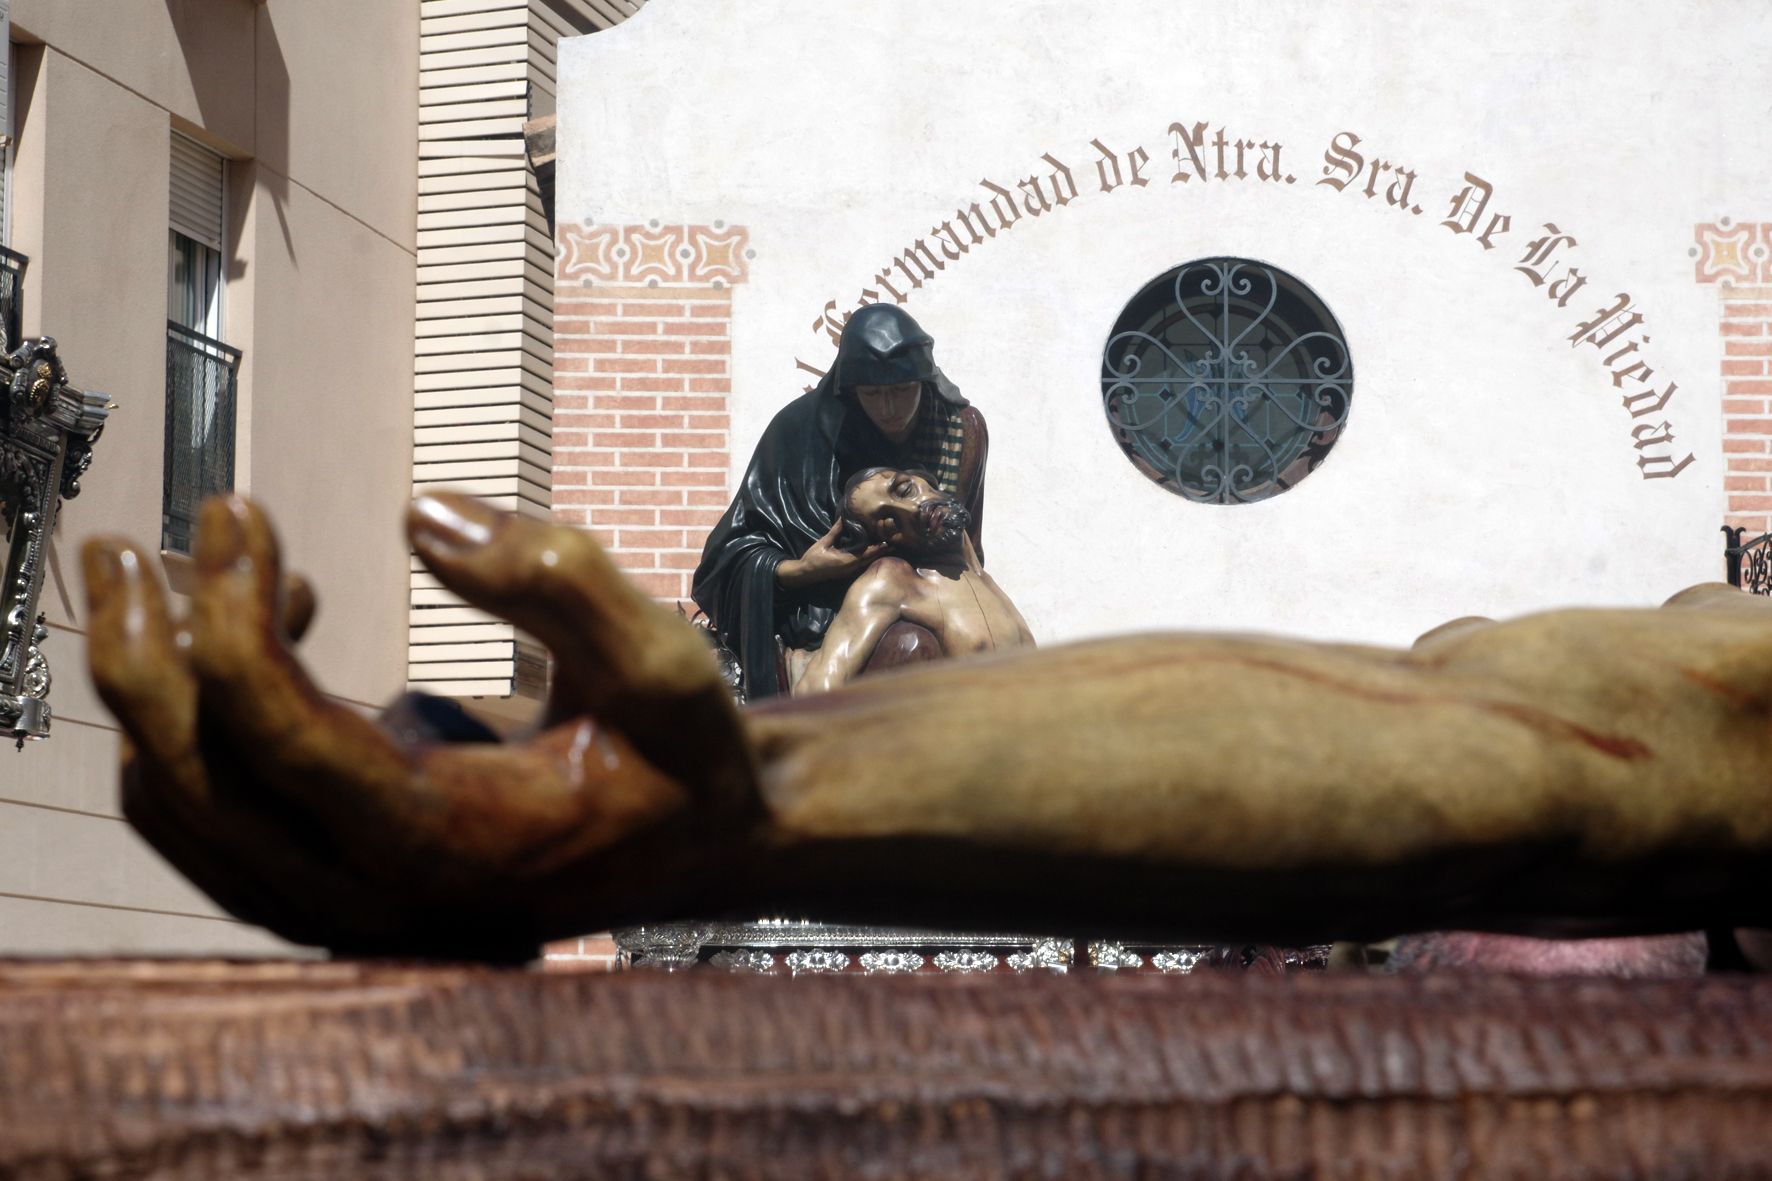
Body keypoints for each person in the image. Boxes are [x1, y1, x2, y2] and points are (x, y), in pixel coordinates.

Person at [691, 305, 987, 700]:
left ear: (924, 381)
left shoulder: (958, 432)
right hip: (832, 615)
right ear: (850, 392)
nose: (889, 409)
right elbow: (724, 561)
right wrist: (800, 570)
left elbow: (969, 544)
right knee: (910, 648)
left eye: (901, 391)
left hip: (941, 597)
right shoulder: (800, 432)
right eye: (873, 394)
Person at [797, 467, 1033, 695]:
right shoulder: (893, 581)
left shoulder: (981, 578)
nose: (911, 510)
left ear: (925, 480)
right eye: (889, 523)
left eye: (904, 490)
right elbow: (817, 687)